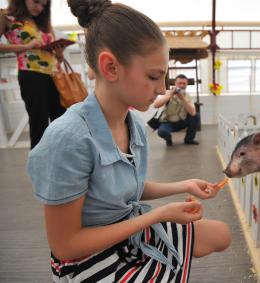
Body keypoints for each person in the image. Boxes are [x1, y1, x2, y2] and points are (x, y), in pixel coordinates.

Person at [27, 0, 231, 282]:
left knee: (222, 234)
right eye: (153, 77)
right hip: (87, 256)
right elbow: (65, 247)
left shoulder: (133, 124)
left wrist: (184, 185)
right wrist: (157, 216)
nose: (161, 89)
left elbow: (123, 188)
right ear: (110, 67)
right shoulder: (68, 140)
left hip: (127, 228)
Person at [0, 0, 66, 148]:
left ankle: (62, 164)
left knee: (62, 122)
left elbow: (57, 58)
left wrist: (60, 53)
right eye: (36, 2)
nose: (39, 8)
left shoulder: (43, 21)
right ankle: (39, 168)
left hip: (55, 75)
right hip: (31, 75)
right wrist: (25, 46)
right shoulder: (6, 16)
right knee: (39, 123)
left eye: (43, 5)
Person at [153, 74, 200, 146]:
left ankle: (189, 139)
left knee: (196, 116)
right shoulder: (167, 93)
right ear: (175, 84)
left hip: (181, 121)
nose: (181, 85)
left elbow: (193, 113)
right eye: (179, 83)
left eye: (184, 83)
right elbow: (156, 105)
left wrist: (182, 98)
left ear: (187, 84)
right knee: (162, 132)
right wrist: (170, 95)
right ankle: (168, 139)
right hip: (168, 122)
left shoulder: (188, 96)